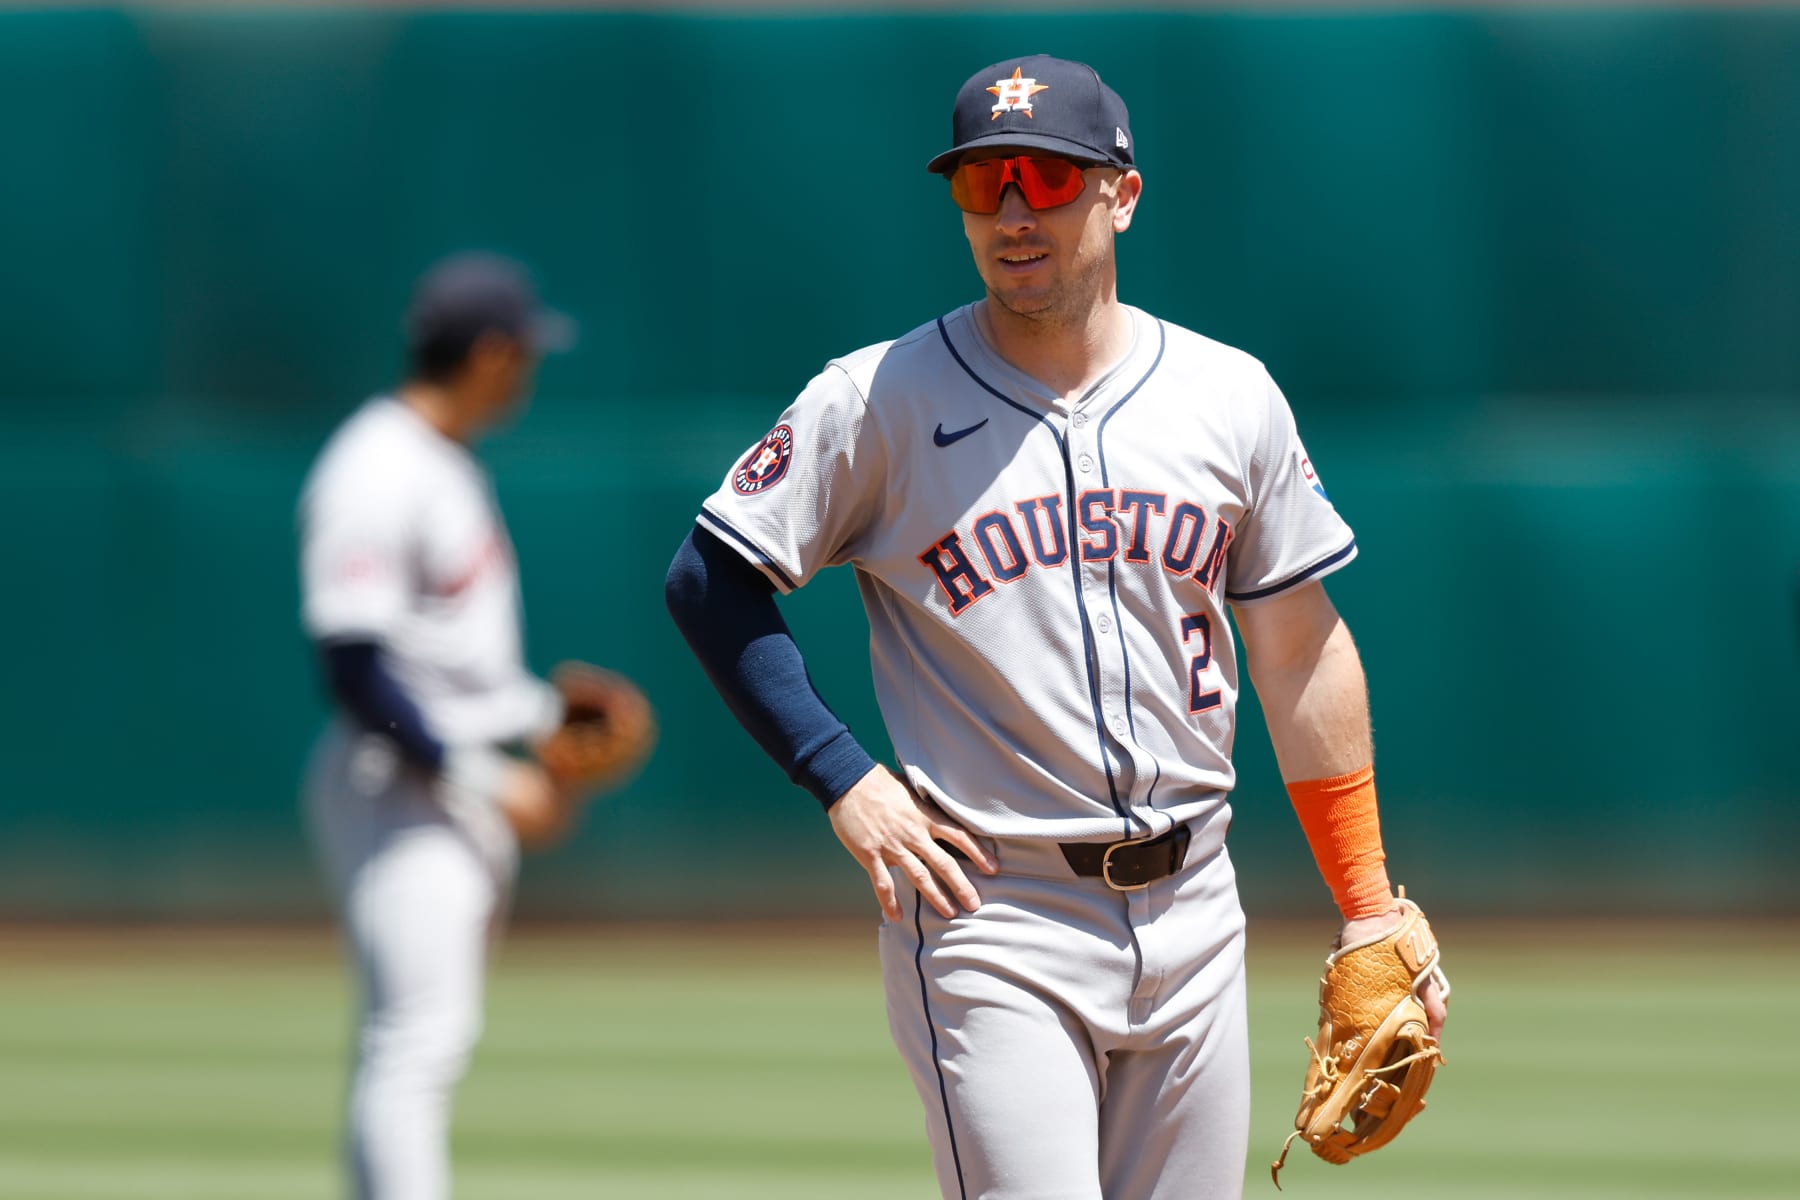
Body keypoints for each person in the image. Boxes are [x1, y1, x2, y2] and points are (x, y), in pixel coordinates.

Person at [664, 54, 1448, 1199]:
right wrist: (843, 777)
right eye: (982, 185)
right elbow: (709, 579)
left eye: (1046, 177)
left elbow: (1298, 649)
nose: (1014, 212)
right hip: (994, 916)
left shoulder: (1229, 396)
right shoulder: (878, 397)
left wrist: (1368, 900)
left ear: (1121, 194)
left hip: (1195, 903)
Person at [298, 252, 575, 1200]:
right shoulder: (374, 466)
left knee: (413, 1040)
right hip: (397, 788)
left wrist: (551, 719)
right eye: (526, 351)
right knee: (414, 1043)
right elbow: (354, 666)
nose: (532, 370)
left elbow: (450, 663)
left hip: (433, 781)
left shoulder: (434, 462)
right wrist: (495, 779)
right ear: (492, 354)